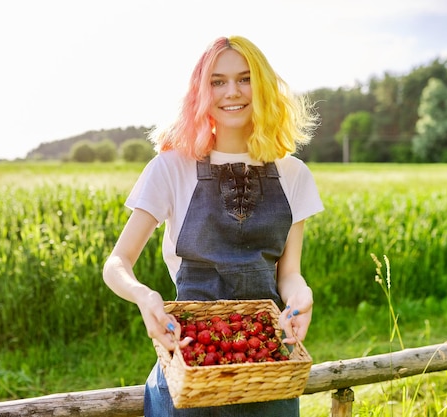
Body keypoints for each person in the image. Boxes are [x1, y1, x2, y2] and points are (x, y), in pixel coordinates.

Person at [102, 35, 324, 417]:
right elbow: (117, 263)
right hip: (191, 364)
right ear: (201, 92)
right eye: (217, 81)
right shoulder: (172, 167)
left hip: (264, 363)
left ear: (264, 85)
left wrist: (301, 296)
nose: (231, 92)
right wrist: (145, 296)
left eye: (245, 78)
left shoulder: (294, 174)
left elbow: (289, 274)